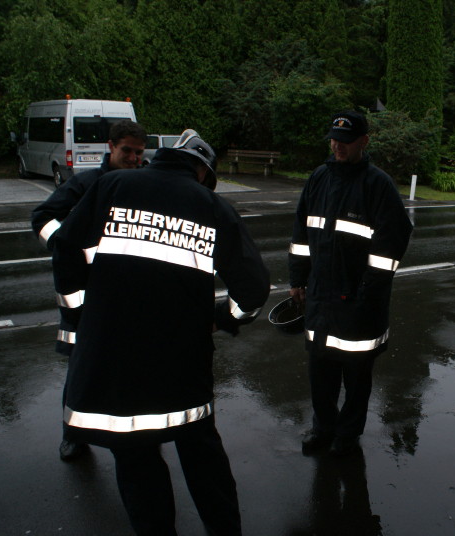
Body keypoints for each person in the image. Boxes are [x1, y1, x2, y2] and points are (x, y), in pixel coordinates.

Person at [51, 129, 271, 535]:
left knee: (136, 459)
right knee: (201, 454)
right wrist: (223, 318)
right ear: (202, 172)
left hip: (113, 358)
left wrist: (82, 314)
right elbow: (253, 290)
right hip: (181, 363)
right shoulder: (212, 207)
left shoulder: (113, 185)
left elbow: (65, 246)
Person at [288, 110, 413, 457]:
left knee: (357, 376)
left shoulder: (377, 185)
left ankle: (347, 436)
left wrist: (367, 292)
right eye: (334, 140)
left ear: (364, 142)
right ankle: (323, 429)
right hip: (320, 297)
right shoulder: (319, 178)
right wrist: (297, 279)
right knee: (320, 371)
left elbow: (391, 244)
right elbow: (300, 234)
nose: (337, 146)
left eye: (345, 141)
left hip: (359, 300)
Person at [31, 118, 148, 461]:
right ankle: (73, 435)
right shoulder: (85, 184)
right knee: (82, 371)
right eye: (127, 151)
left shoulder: (143, 184)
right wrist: (64, 244)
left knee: (131, 368)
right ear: (110, 147)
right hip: (84, 296)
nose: (133, 159)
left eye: (139, 153)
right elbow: (42, 216)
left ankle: (138, 434)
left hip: (128, 295)